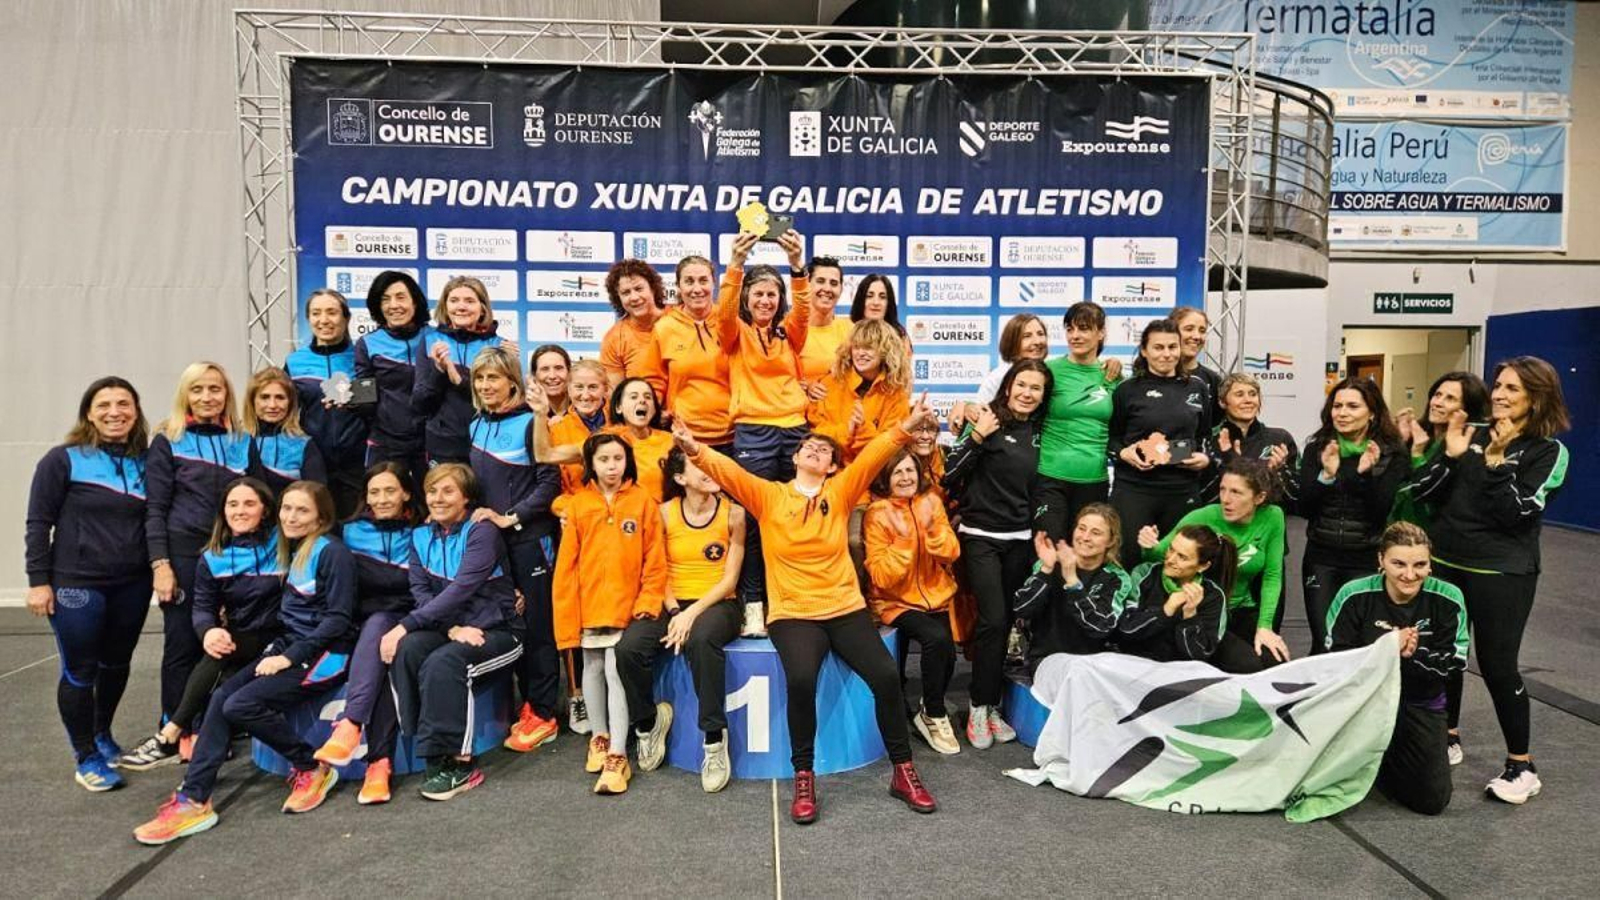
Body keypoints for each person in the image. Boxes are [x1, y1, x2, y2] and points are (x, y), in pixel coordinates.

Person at [671, 397, 942, 823]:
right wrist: (692, 447)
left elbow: (875, 455)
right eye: (809, 448)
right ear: (795, 457)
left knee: (887, 676)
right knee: (800, 679)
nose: (816, 452)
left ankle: (903, 770)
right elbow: (730, 472)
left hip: (844, 607)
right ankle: (804, 776)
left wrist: (907, 425)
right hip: (794, 612)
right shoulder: (768, 496)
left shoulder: (841, 489)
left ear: (833, 465)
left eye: (825, 451)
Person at [133, 482, 357, 844]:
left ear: (321, 516)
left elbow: (338, 620)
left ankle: (311, 766)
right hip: (288, 645)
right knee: (222, 698)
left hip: (326, 654)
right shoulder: (291, 547)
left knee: (241, 703)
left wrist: (289, 657)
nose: (291, 517)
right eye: (287, 508)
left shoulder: (332, 553)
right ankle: (194, 798)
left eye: (302, 510)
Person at [1410, 356, 1569, 803]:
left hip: (1502, 572)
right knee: (1446, 655)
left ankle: (1522, 765)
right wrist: (1452, 458)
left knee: (1498, 666)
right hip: (1448, 563)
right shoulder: (1473, 434)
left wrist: (1496, 465)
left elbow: (1517, 515)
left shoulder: (1548, 451)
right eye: (1498, 385)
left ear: (1537, 397)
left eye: (1512, 389)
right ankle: (1449, 735)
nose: (1499, 394)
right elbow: (1429, 495)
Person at [25, 377, 153, 791]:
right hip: (77, 585)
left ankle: (102, 734)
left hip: (132, 583)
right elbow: (38, 524)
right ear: (88, 412)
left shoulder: (147, 462)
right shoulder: (62, 460)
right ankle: (86, 757)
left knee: (116, 663)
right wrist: (38, 582)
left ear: (135, 412)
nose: (115, 412)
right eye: (104, 405)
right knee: (80, 671)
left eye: (123, 404)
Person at [122, 479, 283, 770]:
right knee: (217, 654)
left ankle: (171, 733)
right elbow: (203, 608)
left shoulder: (284, 544)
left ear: (266, 510)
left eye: (249, 504)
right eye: (232, 504)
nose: (240, 511)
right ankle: (179, 735)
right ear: (223, 511)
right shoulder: (213, 557)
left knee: (222, 681)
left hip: (283, 638)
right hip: (242, 638)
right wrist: (208, 631)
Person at [384, 464, 523, 801]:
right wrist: (451, 628)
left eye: (448, 491)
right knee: (410, 649)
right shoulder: (419, 536)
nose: (438, 498)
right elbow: (421, 593)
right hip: (453, 629)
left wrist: (405, 624)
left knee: (444, 663)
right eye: (432, 491)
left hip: (499, 631)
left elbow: (461, 589)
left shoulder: (482, 531)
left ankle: (459, 764)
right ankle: (428, 747)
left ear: (466, 498)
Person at [942, 359, 1052, 749]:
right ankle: (977, 705)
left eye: (1035, 388)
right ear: (1008, 386)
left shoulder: (1043, 431)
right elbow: (948, 473)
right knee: (992, 621)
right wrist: (975, 437)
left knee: (1007, 625)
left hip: (1020, 539)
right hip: (981, 537)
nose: (1027, 393)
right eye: (1021, 385)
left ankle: (990, 708)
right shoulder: (986, 419)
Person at [461, 347, 563, 756]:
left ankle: (544, 713)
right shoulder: (474, 425)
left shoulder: (530, 423)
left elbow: (549, 481)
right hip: (496, 548)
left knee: (538, 628)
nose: (486, 386)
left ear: (512, 383)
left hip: (530, 541)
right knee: (512, 622)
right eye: (480, 379)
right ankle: (527, 706)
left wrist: (511, 517)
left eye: (494, 378)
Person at [1327, 522, 1466, 816]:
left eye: (1420, 565)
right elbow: (1335, 661)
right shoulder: (1353, 595)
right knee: (1322, 787)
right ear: (1380, 561)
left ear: (1430, 564)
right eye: (1398, 563)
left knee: (1432, 801)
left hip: (1419, 703)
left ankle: (1389, 759)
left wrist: (1410, 656)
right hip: (1362, 703)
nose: (1409, 574)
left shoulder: (1449, 598)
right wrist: (1388, 648)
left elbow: (1452, 667)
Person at [554, 434, 667, 794]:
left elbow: (655, 561)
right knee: (593, 667)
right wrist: (568, 612)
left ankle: (619, 754)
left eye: (618, 458)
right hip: (589, 605)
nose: (612, 466)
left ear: (627, 461)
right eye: (604, 460)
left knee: (617, 671)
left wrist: (647, 603)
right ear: (591, 464)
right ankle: (600, 737)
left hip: (628, 606)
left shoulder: (643, 501)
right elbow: (566, 565)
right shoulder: (577, 506)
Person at [146, 362, 252, 734]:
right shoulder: (168, 439)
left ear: (227, 395)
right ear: (185, 395)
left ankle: (210, 721)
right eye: (197, 389)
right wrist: (161, 565)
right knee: (183, 641)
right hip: (183, 554)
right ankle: (176, 723)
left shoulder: (242, 440)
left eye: (215, 389)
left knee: (224, 637)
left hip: (232, 556)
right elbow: (155, 509)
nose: (207, 397)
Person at [716, 229, 810, 630]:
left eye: (772, 294)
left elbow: (803, 308)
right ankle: (754, 606)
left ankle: (794, 600)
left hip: (795, 430)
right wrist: (736, 264)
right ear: (746, 298)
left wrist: (797, 265)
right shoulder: (733, 333)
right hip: (754, 433)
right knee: (753, 522)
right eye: (758, 294)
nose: (765, 300)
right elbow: (722, 313)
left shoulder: (791, 332)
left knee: (797, 518)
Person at [312, 463, 417, 805]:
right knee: (379, 659)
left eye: (390, 490)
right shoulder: (347, 532)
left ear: (406, 493)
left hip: (409, 620)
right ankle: (378, 764)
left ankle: (352, 723)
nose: (382, 499)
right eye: (374, 492)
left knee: (380, 631)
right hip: (361, 624)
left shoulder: (422, 532)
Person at [1137, 458, 1289, 671]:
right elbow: (1161, 557)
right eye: (1223, 489)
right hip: (1207, 610)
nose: (1225, 499)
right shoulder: (1203, 516)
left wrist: (1265, 627)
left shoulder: (1273, 517)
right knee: (1245, 666)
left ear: (1259, 497)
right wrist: (1148, 545)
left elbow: (1273, 576)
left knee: (1275, 663)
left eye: (1236, 492)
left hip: (1243, 609)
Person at [658, 447, 747, 792]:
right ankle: (647, 723)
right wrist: (675, 611)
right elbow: (659, 571)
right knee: (630, 648)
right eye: (698, 466)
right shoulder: (664, 514)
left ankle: (714, 739)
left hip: (719, 603)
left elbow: (729, 580)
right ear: (680, 478)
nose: (707, 470)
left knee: (700, 638)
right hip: (673, 602)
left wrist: (690, 614)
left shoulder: (734, 514)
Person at [862, 449, 961, 755]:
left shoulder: (932, 502)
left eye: (910, 471)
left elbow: (951, 552)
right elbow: (880, 575)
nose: (906, 478)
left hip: (936, 596)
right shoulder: (877, 514)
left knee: (948, 657)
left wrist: (936, 538)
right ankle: (933, 713)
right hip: (894, 602)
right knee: (936, 639)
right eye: (898, 473)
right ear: (886, 479)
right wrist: (905, 545)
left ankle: (925, 707)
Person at [1298, 376, 1406, 655]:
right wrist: (1327, 475)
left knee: (1362, 646)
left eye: (1352, 406)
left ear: (1372, 412)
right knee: (1324, 643)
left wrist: (1364, 474)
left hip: (1366, 558)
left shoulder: (1391, 453)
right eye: (1337, 406)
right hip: (1321, 559)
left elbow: (1380, 511)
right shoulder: (1318, 447)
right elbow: (1304, 508)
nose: (1342, 413)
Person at [531, 356, 608, 734]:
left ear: (606, 391)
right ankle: (577, 695)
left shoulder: (620, 426)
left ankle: (609, 691)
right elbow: (551, 487)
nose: (586, 394)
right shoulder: (555, 429)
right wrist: (570, 508)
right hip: (575, 528)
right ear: (568, 392)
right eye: (579, 388)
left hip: (614, 529)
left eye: (594, 387)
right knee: (572, 613)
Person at [1106, 319, 1213, 567]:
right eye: (1158, 347)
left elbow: (1206, 438)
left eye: (1172, 347)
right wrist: (1124, 453)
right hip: (1134, 490)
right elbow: (1110, 440)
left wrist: (1205, 458)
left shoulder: (1197, 388)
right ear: (1144, 350)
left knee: (1181, 564)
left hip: (1182, 490)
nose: (1167, 354)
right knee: (1129, 560)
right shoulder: (1126, 390)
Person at [1035, 302, 1124, 539]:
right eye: (1070, 329)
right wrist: (967, 406)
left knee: (1086, 557)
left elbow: (1125, 430)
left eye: (1083, 328)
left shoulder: (1113, 376)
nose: (1075, 336)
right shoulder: (1048, 370)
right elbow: (1011, 401)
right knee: (1050, 554)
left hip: (1094, 480)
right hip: (1050, 477)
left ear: (1101, 332)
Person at [1012, 504, 1132, 666]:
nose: (1085, 537)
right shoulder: (1050, 563)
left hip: (1092, 664)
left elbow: (1101, 628)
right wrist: (1046, 571)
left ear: (1111, 540)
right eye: (1081, 528)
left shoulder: (1117, 578)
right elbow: (1022, 610)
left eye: (1095, 533)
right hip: (1047, 659)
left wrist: (1073, 583)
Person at [285, 288, 368, 517]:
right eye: (316, 313)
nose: (324, 320)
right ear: (308, 319)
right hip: (314, 462)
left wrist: (351, 398)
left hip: (358, 463)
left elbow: (375, 401)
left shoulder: (362, 356)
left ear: (346, 317)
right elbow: (285, 413)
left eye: (332, 312)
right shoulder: (295, 362)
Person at [640, 255, 734, 453]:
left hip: (734, 437)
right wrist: (655, 413)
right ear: (679, 286)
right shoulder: (665, 328)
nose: (697, 289)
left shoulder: (730, 322)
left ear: (714, 283)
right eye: (689, 281)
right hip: (685, 437)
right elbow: (654, 380)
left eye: (703, 280)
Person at [412, 276, 507, 465]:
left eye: (469, 301)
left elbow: (502, 401)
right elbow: (419, 402)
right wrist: (438, 371)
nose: (461, 307)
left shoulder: (498, 345)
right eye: (454, 301)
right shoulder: (431, 341)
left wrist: (457, 377)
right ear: (445, 306)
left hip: (487, 445)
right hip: (442, 446)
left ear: (483, 308)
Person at [354, 270, 433, 491]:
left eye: (400, 297)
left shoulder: (436, 338)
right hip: (385, 444)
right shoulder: (367, 344)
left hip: (430, 443)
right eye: (385, 299)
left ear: (415, 302)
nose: (393, 305)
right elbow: (364, 398)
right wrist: (348, 401)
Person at [1115, 524, 1234, 664]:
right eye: (1171, 549)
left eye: (1182, 557)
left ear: (1203, 566)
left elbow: (1201, 654)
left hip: (1178, 672)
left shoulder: (1213, 596)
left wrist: (1190, 615)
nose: (1170, 559)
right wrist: (1166, 611)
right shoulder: (1144, 574)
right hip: (1133, 662)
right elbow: (1125, 630)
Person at [1390, 371, 1490, 529]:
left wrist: (1417, 455)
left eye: (1450, 398)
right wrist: (1400, 441)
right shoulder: (1417, 433)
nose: (1437, 403)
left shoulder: (1466, 446)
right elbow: (1393, 480)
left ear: (1467, 409)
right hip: (1397, 528)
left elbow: (1426, 490)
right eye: (1437, 395)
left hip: (1434, 533)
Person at [806, 319, 912, 464]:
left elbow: (889, 447)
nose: (860, 353)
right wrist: (847, 431)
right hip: (832, 470)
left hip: (874, 472)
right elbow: (817, 433)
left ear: (885, 351)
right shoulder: (830, 383)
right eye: (856, 347)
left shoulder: (896, 394)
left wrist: (863, 429)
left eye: (868, 348)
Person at [1208, 372, 1299, 508]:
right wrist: (1230, 463)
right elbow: (1205, 498)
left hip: (1266, 525)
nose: (1248, 400)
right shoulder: (1210, 441)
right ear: (1222, 402)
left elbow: (1296, 498)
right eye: (1239, 395)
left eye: (1253, 394)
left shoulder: (1280, 439)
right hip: (1222, 525)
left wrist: (1278, 472)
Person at [948, 313, 1048, 433]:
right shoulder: (998, 377)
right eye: (1027, 336)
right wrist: (965, 406)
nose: (1037, 341)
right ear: (1012, 342)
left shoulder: (1052, 370)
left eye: (1040, 334)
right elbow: (978, 413)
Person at [242, 367, 327, 497]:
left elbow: (317, 498)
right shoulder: (236, 442)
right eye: (265, 397)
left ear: (291, 402)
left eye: (280, 398)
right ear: (252, 401)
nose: (272, 405)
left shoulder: (304, 445)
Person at [599, 259, 668, 390]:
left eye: (639, 289)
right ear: (618, 298)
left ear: (652, 289)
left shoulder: (680, 318)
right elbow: (617, 396)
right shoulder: (614, 339)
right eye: (626, 293)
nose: (634, 297)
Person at [797, 256, 852, 395]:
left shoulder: (851, 330)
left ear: (841, 289)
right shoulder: (787, 329)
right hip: (797, 414)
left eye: (834, 283)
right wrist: (807, 387)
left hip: (839, 413)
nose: (827, 288)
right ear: (807, 285)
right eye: (820, 281)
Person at [1171, 306, 1221, 413]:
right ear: (1172, 332)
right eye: (1189, 329)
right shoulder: (1152, 377)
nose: (1197, 336)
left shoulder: (1214, 380)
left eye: (1202, 331)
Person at [528, 344, 573, 419]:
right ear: (534, 375)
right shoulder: (524, 414)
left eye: (558, 368)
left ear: (569, 372)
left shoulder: (584, 410)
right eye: (545, 369)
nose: (552, 376)